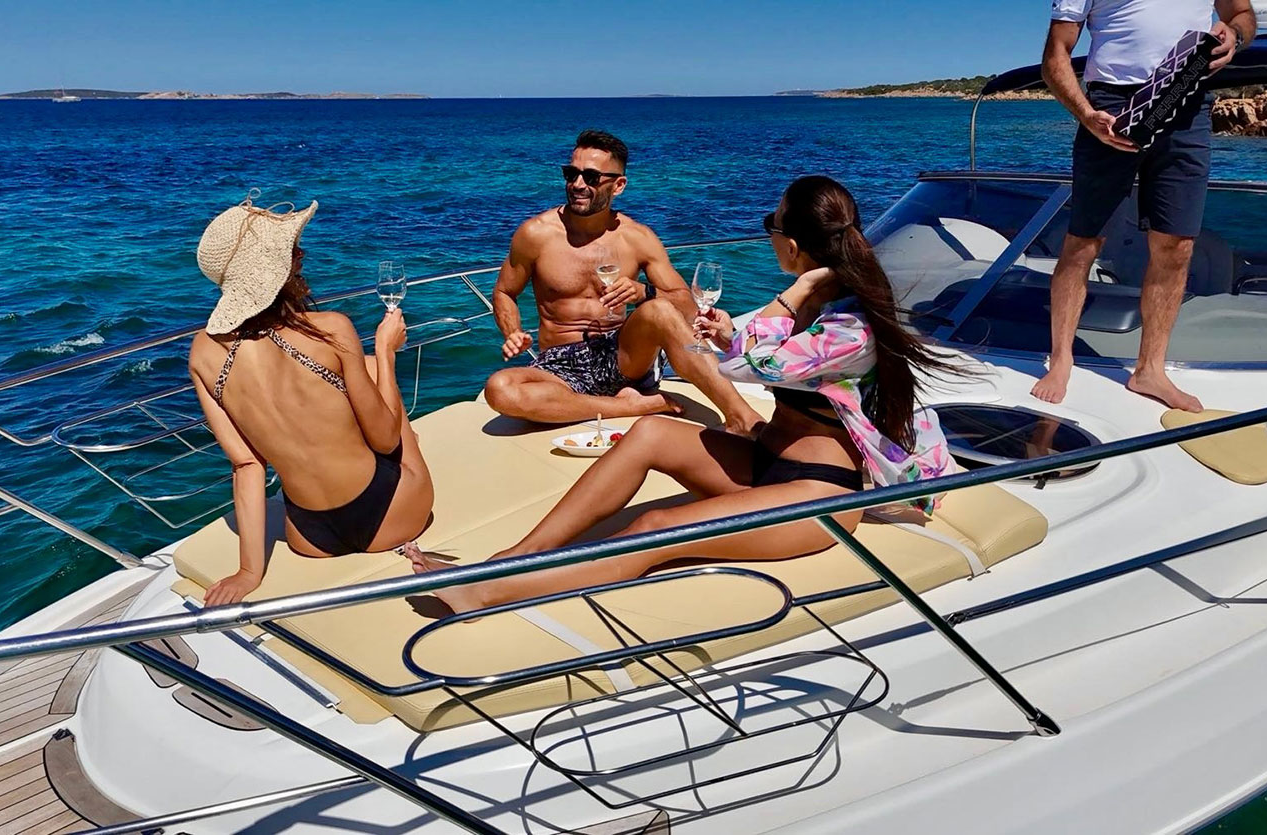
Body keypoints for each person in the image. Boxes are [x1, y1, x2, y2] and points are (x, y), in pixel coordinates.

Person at [408, 176, 960, 614]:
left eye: (770, 224)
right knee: (650, 432)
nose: (767, 234)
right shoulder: (822, 307)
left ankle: (485, 594)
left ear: (792, 245)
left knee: (656, 528)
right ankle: (513, 559)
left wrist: (793, 293)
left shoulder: (848, 325)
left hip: (817, 496)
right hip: (765, 462)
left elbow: (749, 363)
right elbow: (755, 352)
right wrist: (734, 331)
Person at [188, 197, 434, 606]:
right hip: (392, 513)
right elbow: (386, 439)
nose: (301, 255)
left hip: (311, 535)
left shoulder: (202, 352)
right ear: (271, 270)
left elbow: (247, 465)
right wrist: (386, 352)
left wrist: (248, 572)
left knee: (359, 376)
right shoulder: (331, 328)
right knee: (378, 378)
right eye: (291, 250)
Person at [1031, 0, 1256, 412]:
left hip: (1189, 101)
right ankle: (1061, 358)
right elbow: (1055, 56)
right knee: (1084, 242)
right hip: (1111, 105)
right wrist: (1086, 115)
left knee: (1176, 245)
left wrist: (1236, 37)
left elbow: (1241, 13)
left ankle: (1150, 369)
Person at [483, 129, 764, 437]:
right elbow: (505, 291)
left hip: (623, 356)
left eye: (591, 177)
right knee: (500, 389)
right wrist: (513, 332)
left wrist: (644, 292)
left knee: (658, 310)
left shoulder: (637, 237)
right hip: (560, 365)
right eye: (571, 174)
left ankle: (742, 417)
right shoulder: (536, 234)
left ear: (618, 185)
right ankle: (628, 405)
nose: (578, 184)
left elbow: (685, 305)